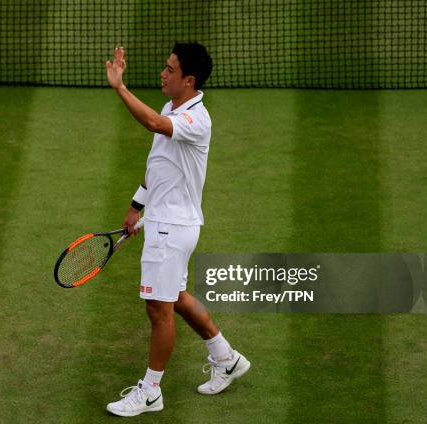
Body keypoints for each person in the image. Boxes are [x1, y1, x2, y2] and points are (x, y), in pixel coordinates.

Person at [104, 43, 250, 417]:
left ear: (189, 80)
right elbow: (159, 165)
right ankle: (227, 357)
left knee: (158, 309)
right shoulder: (174, 106)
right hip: (165, 223)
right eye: (164, 67)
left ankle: (151, 391)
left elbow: (152, 123)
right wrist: (137, 207)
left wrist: (120, 88)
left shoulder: (195, 119)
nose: (162, 74)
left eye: (170, 70)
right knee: (177, 297)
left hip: (172, 227)